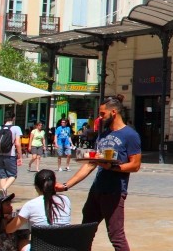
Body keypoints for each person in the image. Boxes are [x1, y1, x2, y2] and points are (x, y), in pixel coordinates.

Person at [56, 94, 141, 251]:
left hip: (114, 191)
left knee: (116, 235)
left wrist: (113, 167)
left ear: (114, 112)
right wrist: (67, 185)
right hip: (97, 189)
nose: (100, 117)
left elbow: (135, 165)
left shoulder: (130, 135)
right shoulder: (103, 135)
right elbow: (90, 164)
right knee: (86, 230)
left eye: (103, 114)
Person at [5, 169, 71, 242]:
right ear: (55, 184)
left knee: (22, 241)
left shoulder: (31, 205)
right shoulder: (65, 200)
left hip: (41, 247)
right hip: (65, 246)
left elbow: (9, 229)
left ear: (36, 187)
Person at [0, 119, 23, 194]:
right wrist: (20, 156)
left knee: (2, 176)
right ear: (13, 119)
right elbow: (18, 143)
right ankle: (3, 189)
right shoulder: (16, 128)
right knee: (13, 175)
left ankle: (3, 196)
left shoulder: (0, 128)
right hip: (10, 155)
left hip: (0, 155)